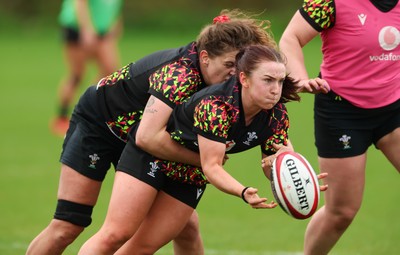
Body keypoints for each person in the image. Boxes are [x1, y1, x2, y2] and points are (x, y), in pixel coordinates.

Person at [26, 9, 278, 255]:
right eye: (228, 64)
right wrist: (205, 160)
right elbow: (147, 137)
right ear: (204, 58)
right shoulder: (180, 75)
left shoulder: (224, 89)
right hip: (101, 125)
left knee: (187, 226)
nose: (235, 74)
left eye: (240, 66)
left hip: (141, 138)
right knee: (69, 225)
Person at [77, 44, 303, 254]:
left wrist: (290, 171)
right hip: (153, 156)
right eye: (268, 80)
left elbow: (273, 162)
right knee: (115, 235)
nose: (276, 90)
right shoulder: (216, 106)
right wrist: (243, 191)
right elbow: (212, 166)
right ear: (243, 78)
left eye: (281, 81)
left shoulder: (277, 115)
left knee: (141, 248)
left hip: (190, 174)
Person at [279, 0, 400, 254]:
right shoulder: (330, 3)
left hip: (393, 108)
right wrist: (300, 78)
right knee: (341, 212)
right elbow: (290, 38)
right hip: (341, 111)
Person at [50, 0, 124, 136]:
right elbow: (80, 3)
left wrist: (115, 23)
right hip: (78, 27)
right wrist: (86, 29)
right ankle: (61, 118)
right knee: (77, 75)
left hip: (102, 30)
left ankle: (89, 110)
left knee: (111, 72)